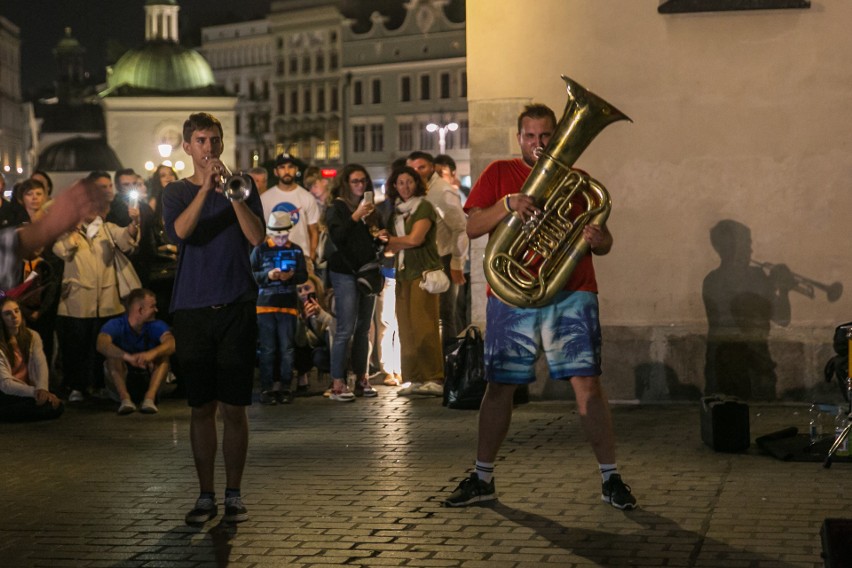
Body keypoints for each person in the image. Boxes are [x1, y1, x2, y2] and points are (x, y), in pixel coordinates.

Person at [443, 103, 637, 510]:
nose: (539, 143)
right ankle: (482, 478)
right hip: (513, 297)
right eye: (530, 136)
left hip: (571, 292)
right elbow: (474, 226)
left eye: (546, 135)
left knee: (587, 386)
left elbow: (605, 241)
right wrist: (508, 204)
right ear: (520, 139)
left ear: (557, 135)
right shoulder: (499, 173)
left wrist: (602, 241)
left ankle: (611, 478)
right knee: (500, 388)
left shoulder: (580, 182)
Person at [163, 112, 265, 525]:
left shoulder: (243, 186)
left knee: (234, 407)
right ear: (187, 147)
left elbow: (256, 237)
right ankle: (205, 494)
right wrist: (205, 190)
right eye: (201, 141)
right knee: (201, 406)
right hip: (192, 307)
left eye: (215, 140)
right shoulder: (174, 192)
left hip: (237, 302)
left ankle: (234, 493)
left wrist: (233, 195)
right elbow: (181, 234)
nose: (209, 148)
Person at [53, 177, 140, 403]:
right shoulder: (65, 231)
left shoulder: (108, 229)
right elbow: (62, 251)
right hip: (76, 301)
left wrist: (134, 223)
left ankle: (100, 385)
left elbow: (127, 242)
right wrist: (73, 230)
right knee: (76, 347)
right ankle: (77, 386)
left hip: (107, 300)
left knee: (102, 346)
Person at [381, 165, 444, 397]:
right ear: (394, 186)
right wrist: (391, 242)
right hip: (402, 273)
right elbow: (388, 248)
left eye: (409, 181)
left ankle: (434, 377)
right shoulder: (396, 212)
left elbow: (416, 239)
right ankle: (414, 378)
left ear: (417, 183)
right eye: (400, 182)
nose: (405, 187)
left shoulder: (423, 207)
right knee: (406, 328)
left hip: (422, 273)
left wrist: (393, 241)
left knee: (424, 326)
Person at [324, 164, 385, 401]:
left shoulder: (371, 210)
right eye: (355, 181)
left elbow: (370, 240)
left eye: (363, 181)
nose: (361, 185)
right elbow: (338, 236)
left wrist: (380, 237)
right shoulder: (337, 208)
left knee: (363, 329)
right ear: (345, 184)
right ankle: (338, 382)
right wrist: (355, 216)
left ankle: (362, 378)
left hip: (367, 273)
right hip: (345, 272)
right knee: (345, 328)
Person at [0, 179, 109, 291]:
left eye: (38, 193)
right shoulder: (15, 221)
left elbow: (8, 247)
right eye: (29, 194)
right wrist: (50, 225)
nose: (34, 198)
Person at [406, 151, 468, 341]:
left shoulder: (441, 191)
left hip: (444, 258)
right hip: (425, 259)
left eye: (421, 167)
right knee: (430, 313)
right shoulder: (419, 190)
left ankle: (449, 362)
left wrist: (457, 263)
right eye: (412, 168)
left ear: (432, 168)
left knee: (445, 313)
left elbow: (460, 227)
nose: (416, 172)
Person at [250, 211, 309, 405]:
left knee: (286, 348)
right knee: (268, 349)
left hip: (288, 306)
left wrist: (290, 277)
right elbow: (251, 274)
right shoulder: (260, 250)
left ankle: (285, 387)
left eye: (284, 235)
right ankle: (267, 387)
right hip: (265, 306)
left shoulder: (297, 251)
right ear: (270, 234)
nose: (282, 239)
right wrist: (269, 276)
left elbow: (303, 275)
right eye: (277, 236)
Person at [96, 288, 176, 415]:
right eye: (152, 306)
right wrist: (128, 357)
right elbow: (101, 344)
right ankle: (125, 399)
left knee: (163, 356)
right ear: (140, 310)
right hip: (122, 381)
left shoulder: (156, 325)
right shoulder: (116, 324)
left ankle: (149, 398)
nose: (156, 310)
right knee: (113, 356)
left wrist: (152, 354)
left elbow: (171, 343)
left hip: (148, 381)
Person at [0, 297, 64, 422]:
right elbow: (5, 384)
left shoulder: (32, 336)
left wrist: (43, 390)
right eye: (8, 313)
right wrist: (36, 393)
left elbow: (40, 365)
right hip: (6, 392)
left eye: (17, 311)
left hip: (26, 391)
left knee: (56, 406)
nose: (14, 316)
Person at [261, 154, 320, 268]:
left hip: (301, 258)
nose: (287, 171)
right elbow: (262, 232)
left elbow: (313, 231)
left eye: (290, 167)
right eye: (282, 167)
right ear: (275, 171)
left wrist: (311, 256)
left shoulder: (307, 197)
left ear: (296, 170)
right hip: (273, 258)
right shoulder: (265, 198)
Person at [293, 273, 335, 394]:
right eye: (299, 290)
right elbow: (300, 342)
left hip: (333, 345)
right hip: (317, 348)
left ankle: (338, 379)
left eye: (307, 289)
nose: (303, 293)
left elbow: (336, 328)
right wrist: (302, 320)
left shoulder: (328, 301)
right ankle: (302, 379)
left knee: (329, 335)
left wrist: (320, 314)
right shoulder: (299, 309)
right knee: (316, 355)